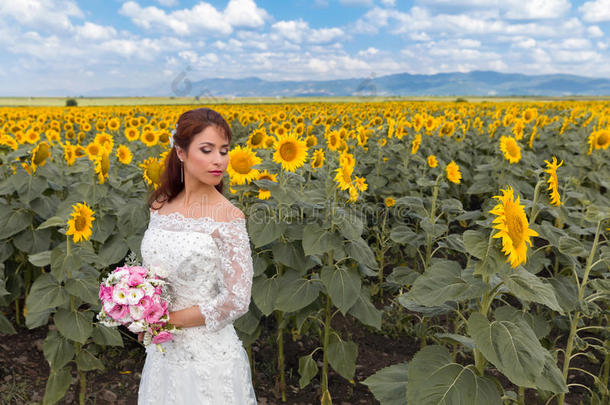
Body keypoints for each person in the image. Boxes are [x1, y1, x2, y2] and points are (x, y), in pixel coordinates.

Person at [137, 107, 257, 404]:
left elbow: (235, 300)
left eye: (224, 151)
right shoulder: (160, 206)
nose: (219, 160)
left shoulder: (228, 218)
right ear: (180, 152)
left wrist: (167, 321)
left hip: (207, 358)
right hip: (162, 354)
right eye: (207, 150)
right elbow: (151, 275)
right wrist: (139, 308)